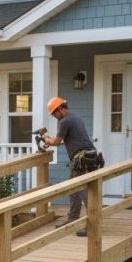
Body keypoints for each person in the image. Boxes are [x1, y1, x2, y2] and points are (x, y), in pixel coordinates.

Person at [42, 96, 100, 236]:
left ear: (60, 109)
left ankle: (93, 226)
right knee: (74, 191)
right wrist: (51, 140)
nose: (55, 117)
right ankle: (73, 219)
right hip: (90, 156)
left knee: (83, 192)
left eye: (54, 114)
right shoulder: (76, 118)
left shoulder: (64, 121)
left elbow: (56, 141)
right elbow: (68, 139)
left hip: (80, 159)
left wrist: (46, 138)